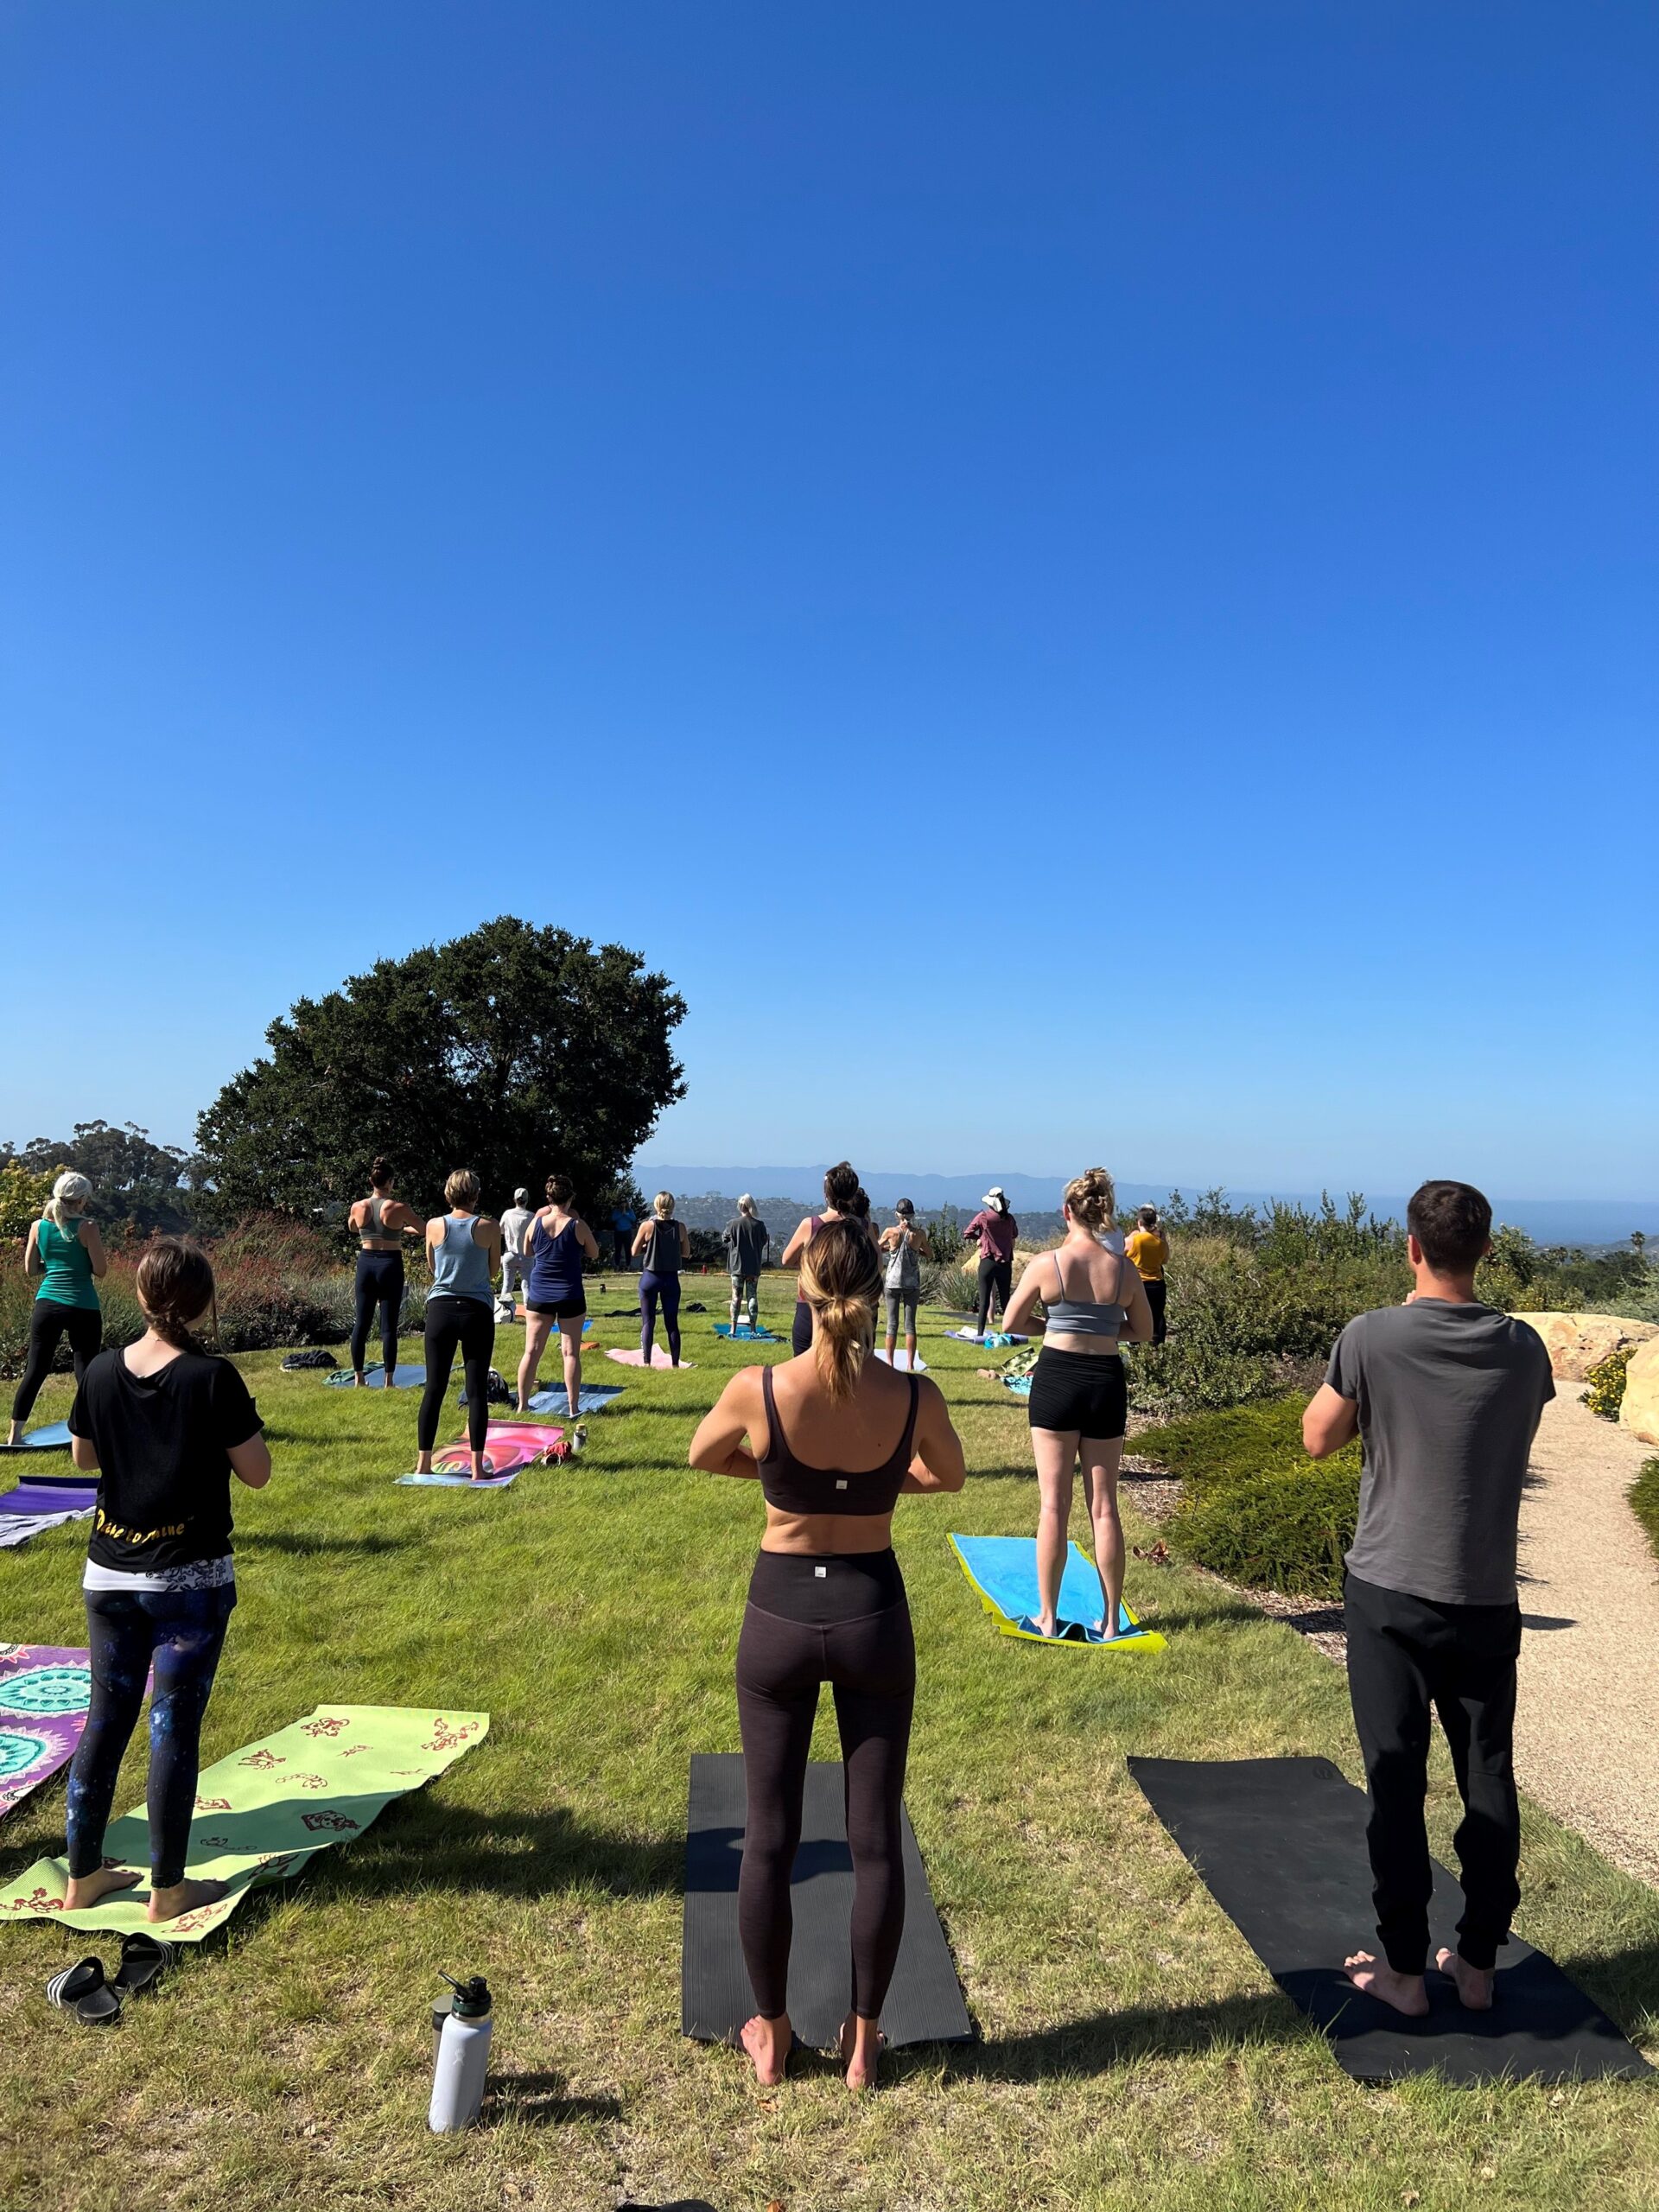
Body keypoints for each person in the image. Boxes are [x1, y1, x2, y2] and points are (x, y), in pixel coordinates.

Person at [687, 1220, 966, 2092]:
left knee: (768, 1837)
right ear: (876, 1297)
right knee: (875, 1837)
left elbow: (705, 1455)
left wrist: (779, 1479)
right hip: (871, 1611)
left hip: (781, 1610)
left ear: (802, 1294)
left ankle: (768, 2035)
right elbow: (948, 1476)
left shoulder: (759, 1386)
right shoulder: (915, 1397)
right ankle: (864, 2041)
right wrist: (879, 1484)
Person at [1303, 1179, 1554, 2018]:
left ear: (1411, 1246)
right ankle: (1477, 1963)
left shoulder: (1370, 1337)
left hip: (1388, 1593)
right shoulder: (1525, 1350)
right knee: (1488, 1776)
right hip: (1485, 1597)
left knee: (1395, 1781)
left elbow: (1316, 1436)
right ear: (1488, 1249)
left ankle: (1406, 1973)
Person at [62, 1237, 271, 1923]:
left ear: (143, 1297)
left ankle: (82, 1876)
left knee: (107, 1719)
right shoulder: (212, 1378)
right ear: (204, 1303)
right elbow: (257, 1470)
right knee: (172, 1728)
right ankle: (168, 1888)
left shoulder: (97, 1371)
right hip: (190, 1581)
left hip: (109, 1574)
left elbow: (83, 1457)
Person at [1002, 1168, 1154, 1639]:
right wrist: (1104, 1328)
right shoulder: (1123, 1270)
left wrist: (1054, 1326)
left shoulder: (1048, 1265)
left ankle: (1047, 1617)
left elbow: (1012, 1321)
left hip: (1057, 1381)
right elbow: (1144, 1332)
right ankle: (1110, 1622)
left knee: (1054, 1505)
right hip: (1105, 1382)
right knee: (1104, 1507)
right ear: (1103, 1213)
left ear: (1066, 1212)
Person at [9, 1171, 106, 1447]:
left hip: (47, 1304)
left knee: (36, 1369)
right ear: (82, 1200)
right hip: (82, 1305)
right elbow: (100, 1271)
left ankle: (14, 1435)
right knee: (85, 1370)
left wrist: (54, 1267)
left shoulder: (38, 1226)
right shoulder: (88, 1227)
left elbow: (30, 1270)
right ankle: (92, 1433)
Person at [416, 1173, 501, 1481]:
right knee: (476, 1391)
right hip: (476, 1310)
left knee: (434, 1388)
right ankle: (478, 1468)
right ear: (476, 1194)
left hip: (441, 1309)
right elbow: (492, 1271)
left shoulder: (434, 1226)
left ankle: (423, 1463)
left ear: (448, 1194)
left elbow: (433, 1266)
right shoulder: (490, 1227)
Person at [518, 1175, 600, 1414]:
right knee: (570, 1352)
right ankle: (573, 1407)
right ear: (571, 1198)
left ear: (548, 1198)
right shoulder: (577, 1225)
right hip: (570, 1295)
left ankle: (522, 1406)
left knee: (531, 1351)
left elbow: (526, 1251)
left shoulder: (536, 1223)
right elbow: (594, 1253)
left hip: (540, 1294)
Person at [779, 1162, 871, 1357]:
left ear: (826, 1194)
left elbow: (786, 1259)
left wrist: (811, 1264)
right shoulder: (863, 1226)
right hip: (850, 1306)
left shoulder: (810, 1225)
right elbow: (876, 1264)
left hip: (810, 1304)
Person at [346, 1160, 423, 1387]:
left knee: (362, 1323)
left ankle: (359, 1377)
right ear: (390, 1182)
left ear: (371, 1181)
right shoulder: (399, 1208)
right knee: (388, 1325)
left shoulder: (358, 1206)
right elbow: (423, 1229)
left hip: (366, 1263)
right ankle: (389, 1381)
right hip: (390, 1264)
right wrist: (400, 1227)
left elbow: (352, 1226)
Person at [632, 1192, 690, 1366]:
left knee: (648, 1321)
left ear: (656, 1206)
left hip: (650, 1277)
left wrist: (647, 1247)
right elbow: (686, 1253)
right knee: (671, 1323)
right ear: (672, 1207)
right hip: (671, 1279)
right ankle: (674, 1363)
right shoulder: (680, 1227)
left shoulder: (647, 1226)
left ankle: (647, 1362)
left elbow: (634, 1251)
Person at [877, 1200, 931, 1371]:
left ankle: (890, 1364)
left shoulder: (891, 1232)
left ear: (897, 1215)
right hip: (911, 1282)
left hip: (892, 1281)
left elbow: (876, 1247)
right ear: (913, 1215)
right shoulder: (919, 1234)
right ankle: (910, 1364)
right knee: (910, 1325)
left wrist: (889, 1249)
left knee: (892, 1324)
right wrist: (917, 1251)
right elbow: (930, 1254)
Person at [963, 1186, 1019, 1338]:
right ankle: (1010, 1332)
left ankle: (980, 1333)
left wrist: (981, 1238)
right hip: (1005, 1262)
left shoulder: (983, 1217)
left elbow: (967, 1233)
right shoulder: (1009, 1219)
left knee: (984, 1299)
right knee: (1006, 1299)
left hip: (988, 1260)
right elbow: (1014, 1235)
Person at [724, 1195, 771, 1334]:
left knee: (736, 1297)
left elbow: (725, 1238)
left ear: (740, 1207)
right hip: (753, 1266)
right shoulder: (759, 1225)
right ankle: (753, 1328)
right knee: (752, 1296)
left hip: (737, 1266)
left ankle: (733, 1328)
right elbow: (764, 1242)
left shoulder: (732, 1224)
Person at [1124, 1205, 1169, 1345]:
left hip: (1138, 1283)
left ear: (1139, 1222)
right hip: (1157, 1284)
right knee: (1156, 1319)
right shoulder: (1160, 1242)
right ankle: (1156, 1350)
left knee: (1135, 1319)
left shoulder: (1134, 1240)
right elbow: (1165, 1260)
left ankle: (1135, 1348)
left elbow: (1119, 1253)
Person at [499, 1187, 537, 1309]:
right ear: (527, 1200)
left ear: (514, 1199)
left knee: (507, 1285)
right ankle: (529, 1309)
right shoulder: (532, 1216)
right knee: (526, 1285)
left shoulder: (508, 1214)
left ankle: (504, 1310)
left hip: (510, 1254)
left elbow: (500, 1230)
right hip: (527, 1254)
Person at [611, 1201, 637, 1271]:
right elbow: (613, 1219)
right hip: (618, 1232)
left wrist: (626, 1214)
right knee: (618, 1250)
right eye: (622, 1203)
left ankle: (628, 1266)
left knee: (627, 1249)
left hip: (627, 1232)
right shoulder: (617, 1211)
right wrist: (621, 1214)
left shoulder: (630, 1211)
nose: (623, 1204)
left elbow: (633, 1219)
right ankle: (617, 1266)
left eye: (625, 1203)